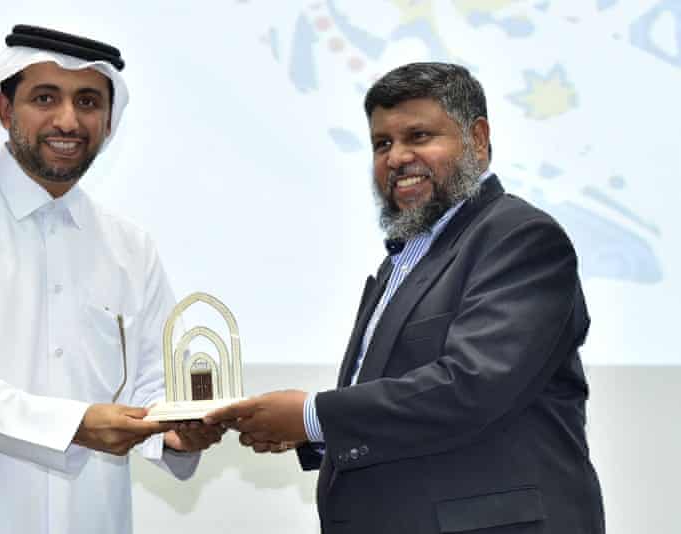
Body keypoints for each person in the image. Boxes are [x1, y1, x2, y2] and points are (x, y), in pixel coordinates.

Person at [206, 62, 605, 533]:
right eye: (382, 143)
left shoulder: (518, 237)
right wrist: (306, 433)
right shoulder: (406, 257)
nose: (396, 158)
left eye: (418, 136)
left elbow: (469, 386)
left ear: (477, 139)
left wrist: (313, 417)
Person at [0, 25, 223, 534]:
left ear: (109, 120)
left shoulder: (129, 248)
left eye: (89, 101)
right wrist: (74, 425)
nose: (68, 120)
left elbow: (153, 382)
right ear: (4, 111)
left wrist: (177, 433)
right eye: (45, 98)